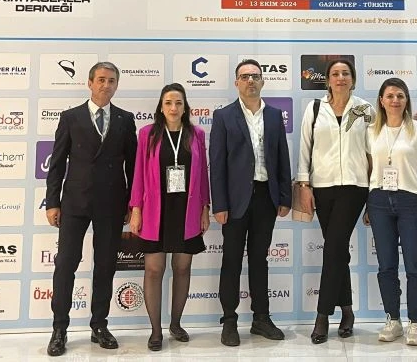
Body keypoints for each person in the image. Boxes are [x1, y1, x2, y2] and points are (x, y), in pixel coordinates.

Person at [45, 62, 137, 357]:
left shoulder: (125, 119)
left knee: (106, 265)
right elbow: (56, 163)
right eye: (101, 80)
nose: (106, 85)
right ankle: (59, 329)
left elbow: (133, 167)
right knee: (65, 264)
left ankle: (99, 325)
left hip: (112, 203)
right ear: (89, 82)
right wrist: (53, 202)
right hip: (75, 202)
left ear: (116, 85)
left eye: (111, 81)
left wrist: (132, 204)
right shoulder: (70, 117)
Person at [209, 59, 292, 347]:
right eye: (245, 77)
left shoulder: (274, 116)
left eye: (255, 76)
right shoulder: (223, 116)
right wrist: (219, 204)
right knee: (231, 259)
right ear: (236, 83)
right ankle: (229, 321)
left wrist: (285, 197)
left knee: (259, 259)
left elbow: (282, 158)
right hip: (234, 202)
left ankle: (261, 318)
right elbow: (217, 164)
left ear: (262, 81)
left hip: (266, 198)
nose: (250, 81)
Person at [295, 59, 374, 344]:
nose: (340, 78)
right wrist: (304, 185)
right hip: (322, 187)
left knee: (333, 248)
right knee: (338, 251)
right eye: (335, 74)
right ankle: (348, 311)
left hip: (354, 187)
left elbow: (374, 151)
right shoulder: (315, 108)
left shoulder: (365, 109)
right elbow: (305, 148)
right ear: (327, 80)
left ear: (353, 79)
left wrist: (374, 192)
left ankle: (322, 316)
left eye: (345, 73)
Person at [128, 83, 211, 351]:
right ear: (161, 107)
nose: (173, 108)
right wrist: (136, 209)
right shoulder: (148, 134)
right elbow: (138, 173)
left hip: (187, 209)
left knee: (182, 268)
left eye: (178, 103)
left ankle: (176, 324)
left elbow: (203, 174)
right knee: (154, 269)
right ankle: (156, 331)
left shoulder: (196, 134)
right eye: (168, 103)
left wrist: (205, 207)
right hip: (155, 209)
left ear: (185, 107)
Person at [365, 77, 417, 346]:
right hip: (379, 200)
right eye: (390, 96)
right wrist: (368, 204)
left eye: (400, 96)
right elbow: (369, 170)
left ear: (406, 100)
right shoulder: (371, 131)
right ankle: (392, 320)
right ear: (381, 101)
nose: (395, 100)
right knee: (386, 265)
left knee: (415, 265)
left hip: (411, 201)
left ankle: (415, 322)